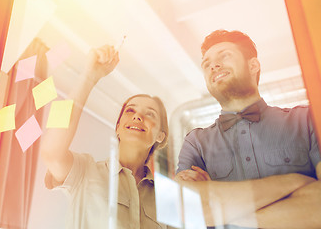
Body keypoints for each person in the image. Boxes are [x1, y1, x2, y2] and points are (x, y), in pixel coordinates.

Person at [176, 30, 321, 228]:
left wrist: (222, 214)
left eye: (224, 55)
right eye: (206, 64)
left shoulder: (306, 119)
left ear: (253, 65)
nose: (213, 65)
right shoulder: (196, 143)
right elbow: (186, 209)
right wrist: (296, 182)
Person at [40, 45, 168, 229]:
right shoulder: (85, 172)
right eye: (130, 110)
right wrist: (89, 76)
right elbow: (51, 152)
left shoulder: (166, 202)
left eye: (150, 114)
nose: (137, 116)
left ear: (160, 136)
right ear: (117, 128)